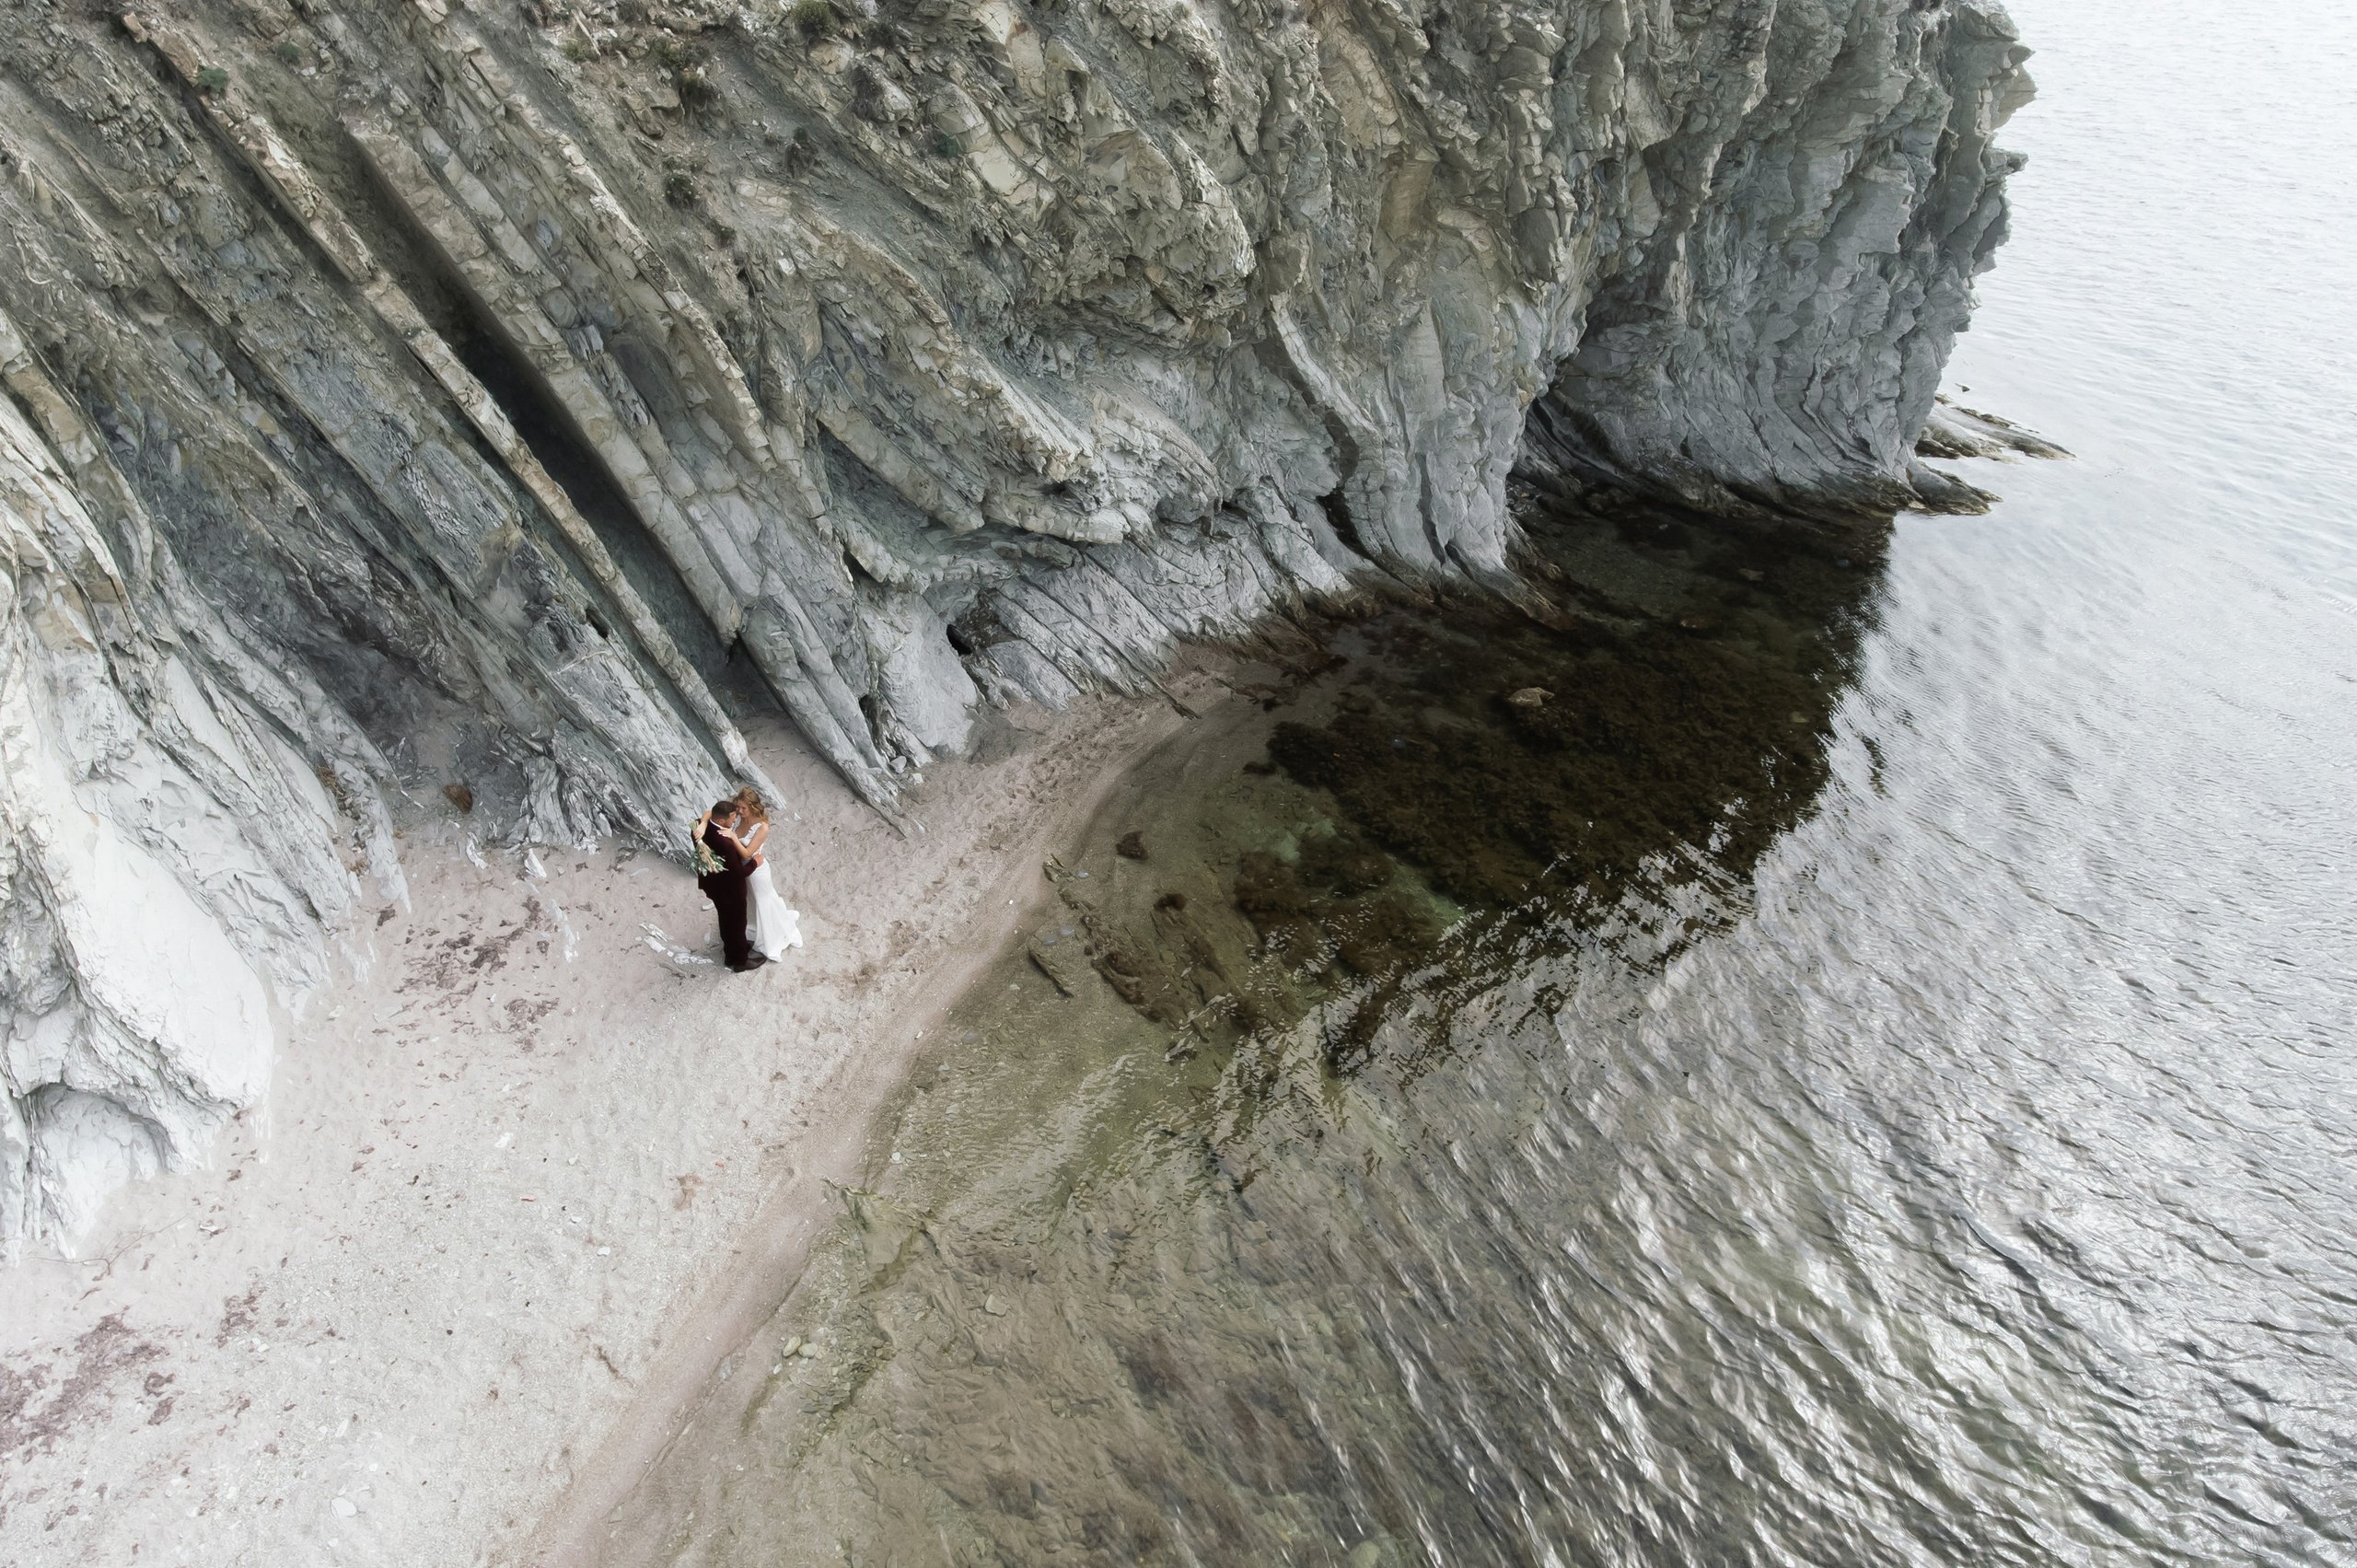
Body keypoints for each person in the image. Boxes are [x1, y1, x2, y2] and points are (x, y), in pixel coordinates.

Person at [726, 786, 804, 961]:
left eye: (744, 808)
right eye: (738, 807)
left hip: (756, 870)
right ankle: (752, 930)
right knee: (749, 900)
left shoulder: (762, 827)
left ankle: (770, 938)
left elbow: (747, 852)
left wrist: (732, 838)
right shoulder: (738, 818)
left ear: (753, 807)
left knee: (763, 901)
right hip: (741, 869)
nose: (740, 811)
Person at [692, 798, 762, 972]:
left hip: (713, 886)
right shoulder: (726, 843)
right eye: (732, 818)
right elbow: (738, 873)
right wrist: (754, 863)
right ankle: (740, 961)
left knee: (725, 920)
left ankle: (730, 954)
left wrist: (703, 822)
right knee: (737, 924)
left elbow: (708, 814)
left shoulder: (699, 828)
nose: (735, 820)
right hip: (730, 891)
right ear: (722, 821)